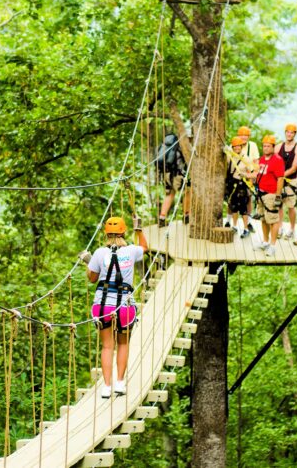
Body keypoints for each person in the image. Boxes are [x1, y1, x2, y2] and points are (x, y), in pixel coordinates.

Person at [86, 216, 148, 398]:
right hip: (124, 307)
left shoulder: (99, 253)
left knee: (107, 346)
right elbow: (145, 248)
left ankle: (106, 387)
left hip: (103, 306)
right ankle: (120, 384)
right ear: (123, 232)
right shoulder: (131, 251)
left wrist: (88, 263)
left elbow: (92, 278)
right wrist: (139, 230)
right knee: (123, 343)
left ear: (106, 233)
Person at [247, 134, 284, 256]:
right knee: (263, 219)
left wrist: (278, 196)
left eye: (268, 146)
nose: (266, 148)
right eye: (264, 146)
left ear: (273, 147)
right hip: (261, 193)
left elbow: (280, 179)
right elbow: (258, 174)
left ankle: (273, 246)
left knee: (273, 220)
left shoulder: (277, 160)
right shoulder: (262, 159)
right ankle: (265, 241)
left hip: (271, 194)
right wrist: (246, 175)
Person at [276, 123, 297, 241]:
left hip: (291, 180)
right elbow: (274, 162)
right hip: (279, 179)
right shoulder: (278, 147)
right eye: (287, 132)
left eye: (292, 132)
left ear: (295, 134)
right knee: (279, 205)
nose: (289, 134)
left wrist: (281, 175)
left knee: (291, 206)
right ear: (285, 133)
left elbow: (294, 168)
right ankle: (280, 227)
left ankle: (292, 229)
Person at [157, 133, 191, 227]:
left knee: (169, 194)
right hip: (177, 175)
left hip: (166, 174)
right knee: (186, 193)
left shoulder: (165, 146)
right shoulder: (181, 147)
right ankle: (186, 216)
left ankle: (162, 218)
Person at [224, 136, 254, 238]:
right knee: (233, 207)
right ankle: (235, 226)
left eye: (238, 147)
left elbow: (251, 173)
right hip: (232, 184)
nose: (237, 149)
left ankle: (245, 229)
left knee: (243, 208)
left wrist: (250, 185)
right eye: (235, 147)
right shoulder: (229, 156)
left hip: (242, 184)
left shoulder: (246, 158)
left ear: (241, 147)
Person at [237, 126, 260, 230]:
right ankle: (231, 221)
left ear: (249, 136)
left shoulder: (252, 146)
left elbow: (256, 162)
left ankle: (249, 221)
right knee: (234, 198)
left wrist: (254, 175)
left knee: (248, 198)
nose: (243, 137)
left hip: (249, 174)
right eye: (241, 135)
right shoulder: (235, 144)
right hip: (236, 173)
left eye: (245, 135)